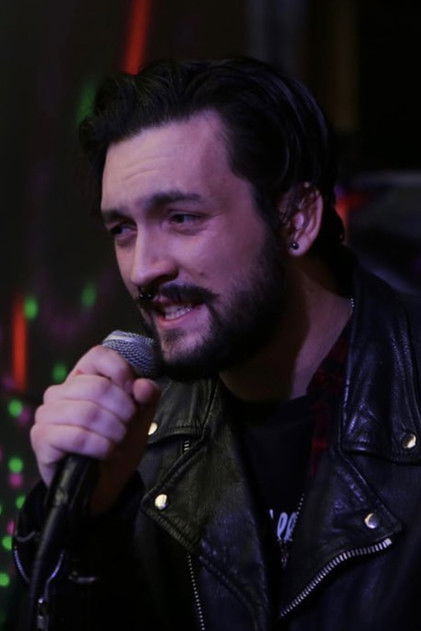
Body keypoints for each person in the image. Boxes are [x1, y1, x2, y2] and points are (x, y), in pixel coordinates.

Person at [13, 57, 421, 631]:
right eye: (123, 229)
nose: (143, 268)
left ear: (296, 221)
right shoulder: (139, 438)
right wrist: (88, 524)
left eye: (181, 217)